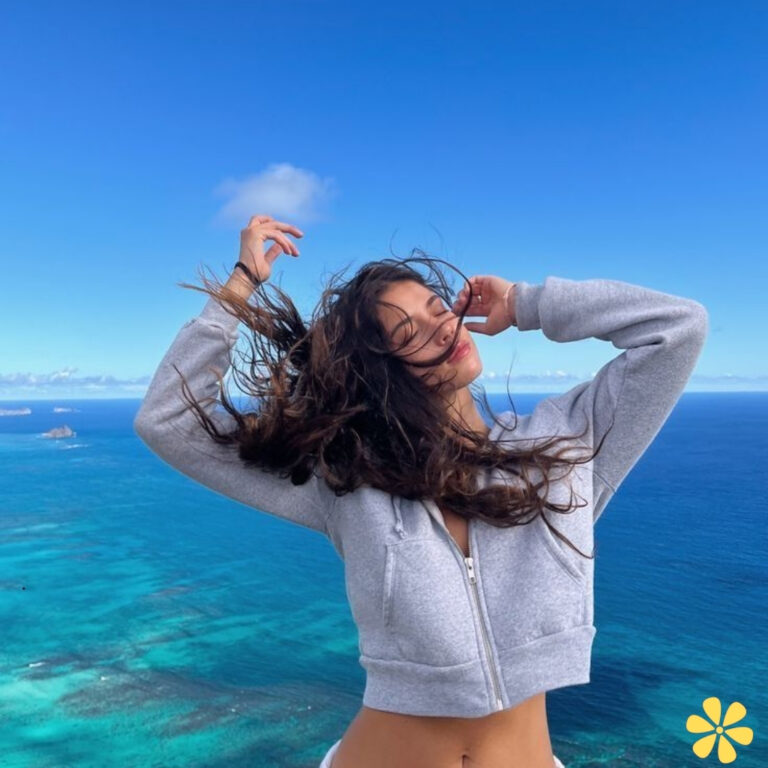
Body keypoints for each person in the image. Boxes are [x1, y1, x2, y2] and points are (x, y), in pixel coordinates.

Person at [134, 214, 709, 768]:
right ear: (386, 370)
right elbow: (168, 422)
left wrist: (527, 304)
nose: (441, 327)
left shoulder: (564, 449)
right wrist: (240, 287)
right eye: (408, 332)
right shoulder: (347, 477)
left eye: (439, 308)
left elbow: (677, 329)